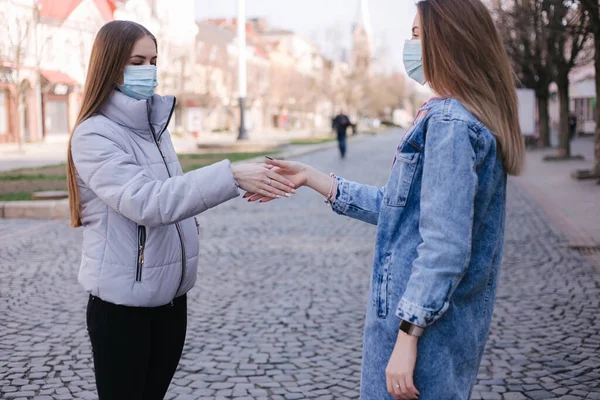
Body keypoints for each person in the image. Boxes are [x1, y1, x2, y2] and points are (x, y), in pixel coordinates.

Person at [247, 0, 525, 398]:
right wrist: (312, 177)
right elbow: (403, 210)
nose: (409, 45)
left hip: (421, 338)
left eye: (416, 35)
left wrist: (408, 337)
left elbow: (445, 248)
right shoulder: (464, 117)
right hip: (437, 332)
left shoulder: (449, 123)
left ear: (447, 43)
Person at [66, 21, 295, 400]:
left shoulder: (154, 126)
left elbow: (175, 193)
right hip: (123, 310)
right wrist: (232, 174)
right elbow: (149, 201)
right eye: (137, 60)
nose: (149, 70)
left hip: (171, 300)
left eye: (153, 60)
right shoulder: (94, 134)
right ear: (110, 64)